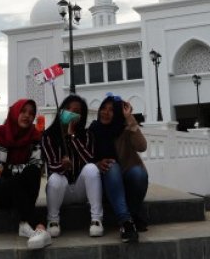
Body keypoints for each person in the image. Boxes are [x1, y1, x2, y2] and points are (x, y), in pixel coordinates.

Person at [0, 99, 52, 249]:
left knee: (30, 172)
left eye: (31, 113)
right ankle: (40, 227)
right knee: (15, 180)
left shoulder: (35, 137)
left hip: (22, 187)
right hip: (1, 192)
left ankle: (25, 224)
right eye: (23, 111)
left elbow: (36, 164)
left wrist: (4, 170)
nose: (27, 116)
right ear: (15, 112)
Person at [41, 94, 103, 238]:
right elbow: (51, 166)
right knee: (56, 178)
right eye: (68, 109)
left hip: (81, 190)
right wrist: (63, 166)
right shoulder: (48, 136)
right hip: (62, 191)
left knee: (91, 169)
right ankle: (53, 221)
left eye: (76, 111)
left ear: (81, 116)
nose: (71, 113)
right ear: (61, 110)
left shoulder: (87, 135)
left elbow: (89, 159)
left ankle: (96, 220)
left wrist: (72, 137)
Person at [89, 95, 149, 243]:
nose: (106, 112)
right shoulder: (92, 130)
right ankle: (125, 221)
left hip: (126, 180)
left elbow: (142, 146)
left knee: (139, 173)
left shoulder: (124, 129)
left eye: (111, 110)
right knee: (112, 166)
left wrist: (130, 118)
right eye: (103, 108)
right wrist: (97, 164)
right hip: (103, 184)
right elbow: (84, 157)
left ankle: (130, 216)